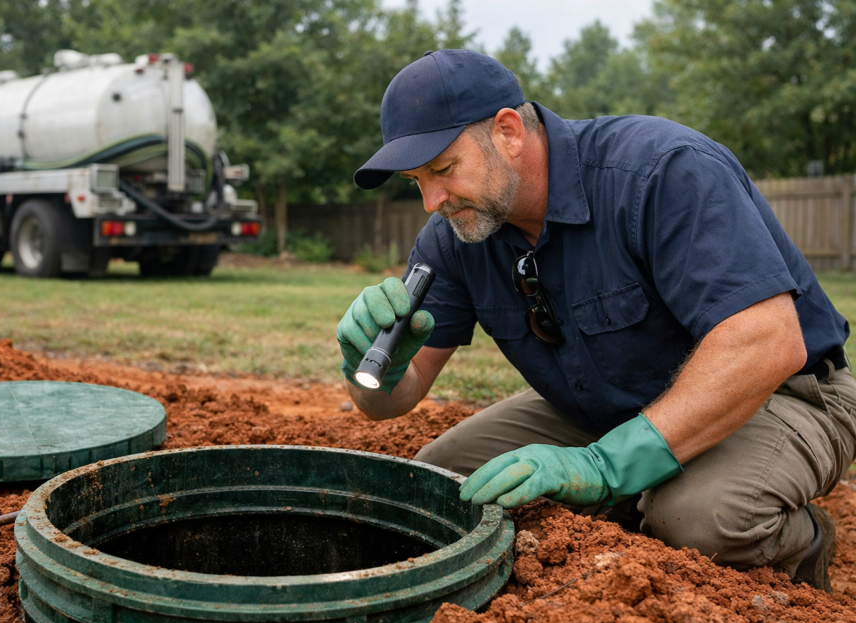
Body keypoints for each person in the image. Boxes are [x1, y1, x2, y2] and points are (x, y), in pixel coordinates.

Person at [336, 49, 856, 592]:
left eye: (443, 169)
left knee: (698, 522)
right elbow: (392, 396)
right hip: (607, 405)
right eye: (415, 180)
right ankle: (638, 501)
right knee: (446, 484)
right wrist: (371, 368)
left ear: (508, 132)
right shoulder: (455, 233)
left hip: (781, 394)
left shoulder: (662, 169)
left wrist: (605, 466)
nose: (431, 201)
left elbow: (767, 343)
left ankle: (800, 546)